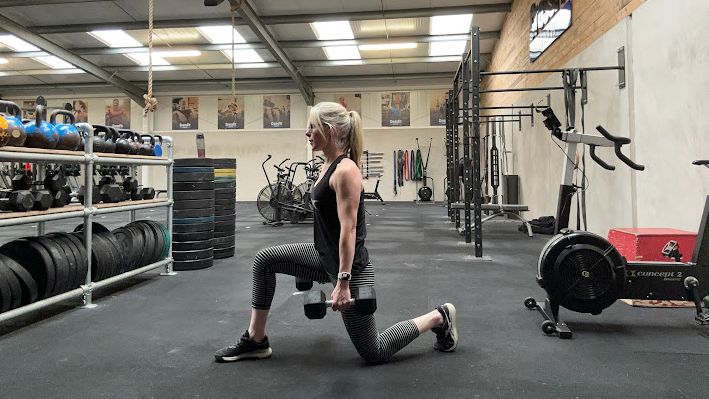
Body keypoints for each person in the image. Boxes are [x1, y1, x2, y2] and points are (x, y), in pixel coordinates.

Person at [214, 102, 458, 363]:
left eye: (312, 127)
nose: (307, 133)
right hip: (324, 257)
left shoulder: (345, 171)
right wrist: (304, 271)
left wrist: (343, 282)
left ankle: (438, 317)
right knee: (264, 261)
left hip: (350, 267)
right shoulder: (325, 165)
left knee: (373, 351)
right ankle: (255, 339)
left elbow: (348, 229)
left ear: (328, 130)